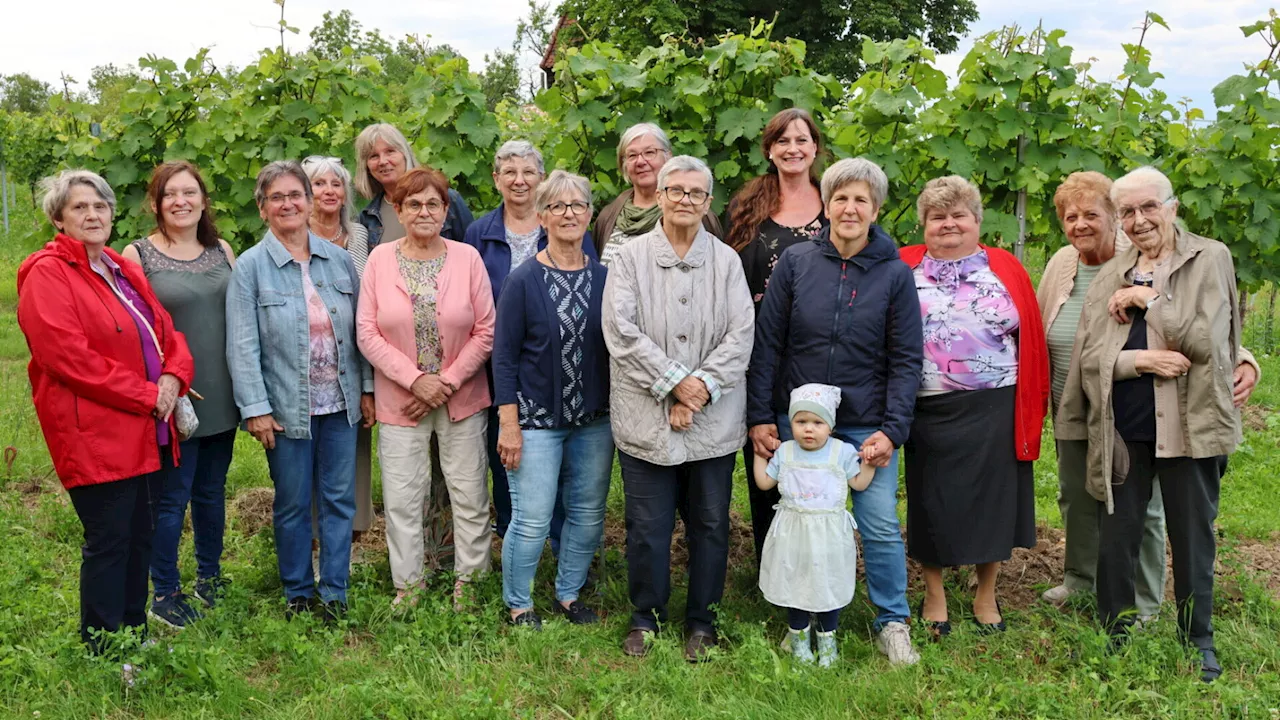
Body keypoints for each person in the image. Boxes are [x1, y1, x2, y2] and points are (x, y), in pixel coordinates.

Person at [1037, 172, 1263, 616]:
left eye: (1093, 215)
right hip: (1077, 399)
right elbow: (1049, 328)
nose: (1081, 225)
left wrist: (1244, 358)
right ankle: (1083, 584)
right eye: (1070, 217)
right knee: (1084, 501)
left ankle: (1146, 603)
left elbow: (1208, 327)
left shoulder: (1144, 261)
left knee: (1146, 513)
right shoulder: (1063, 265)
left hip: (1142, 407)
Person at [748, 157, 922, 666]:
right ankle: (800, 616)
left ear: (876, 209)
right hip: (799, 419)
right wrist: (761, 416)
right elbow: (768, 344)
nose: (849, 208)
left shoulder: (894, 275)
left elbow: (907, 359)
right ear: (825, 205)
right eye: (840, 198)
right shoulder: (798, 263)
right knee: (800, 518)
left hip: (864, 422)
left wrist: (892, 430)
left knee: (879, 522)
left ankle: (892, 621)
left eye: (861, 199)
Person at [17, 169, 194, 655]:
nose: (92, 215)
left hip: (146, 429)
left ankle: (134, 634)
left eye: (100, 206)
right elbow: (67, 357)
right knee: (110, 539)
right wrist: (146, 394)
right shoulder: (47, 272)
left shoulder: (118, 266)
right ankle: (102, 647)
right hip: (95, 432)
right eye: (79, 207)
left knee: (142, 535)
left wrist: (175, 374)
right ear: (58, 218)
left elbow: (166, 329)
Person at [602, 156, 754, 662]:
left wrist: (701, 387)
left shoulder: (727, 261)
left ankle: (703, 621)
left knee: (711, 522)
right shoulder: (629, 258)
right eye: (676, 190)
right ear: (660, 196)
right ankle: (646, 616)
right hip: (645, 414)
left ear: (708, 203)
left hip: (714, 418)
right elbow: (621, 332)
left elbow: (740, 334)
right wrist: (673, 384)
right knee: (648, 524)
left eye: (695, 192)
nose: (685, 199)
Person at [899, 175, 1049, 637]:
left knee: (994, 502)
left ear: (976, 221)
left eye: (958, 215)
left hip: (996, 404)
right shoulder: (902, 266)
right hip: (928, 405)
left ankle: (987, 593)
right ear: (924, 224)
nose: (948, 224)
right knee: (931, 501)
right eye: (937, 216)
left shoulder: (1006, 267)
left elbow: (1032, 337)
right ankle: (934, 593)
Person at [226, 160, 374, 621]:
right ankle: (297, 591)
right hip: (287, 409)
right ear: (263, 208)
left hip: (341, 403)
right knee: (292, 502)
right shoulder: (251, 267)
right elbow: (242, 342)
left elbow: (359, 330)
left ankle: (334, 591)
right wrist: (255, 407)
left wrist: (367, 389)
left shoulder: (337, 259)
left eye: (296, 195)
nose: (288, 203)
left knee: (338, 499)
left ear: (310, 203)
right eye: (277, 197)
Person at [356, 166, 495, 608]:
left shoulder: (467, 258)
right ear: (397, 209)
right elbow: (367, 332)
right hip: (403, 401)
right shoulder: (379, 260)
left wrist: (447, 381)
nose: (423, 211)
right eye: (412, 204)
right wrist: (416, 380)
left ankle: (470, 583)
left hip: (463, 399)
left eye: (433, 203)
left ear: (446, 209)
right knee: (403, 498)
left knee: (469, 494)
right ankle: (409, 585)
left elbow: (486, 330)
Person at [119, 162, 238, 628]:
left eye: (190, 193)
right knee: (172, 498)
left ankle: (210, 579)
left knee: (212, 493)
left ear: (204, 200)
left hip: (223, 393)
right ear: (156, 203)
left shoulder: (222, 250)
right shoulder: (137, 255)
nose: (181, 201)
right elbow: (130, 329)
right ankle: (164, 592)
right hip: (174, 397)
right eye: (171, 194)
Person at [494, 170, 612, 629]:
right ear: (542, 216)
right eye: (558, 206)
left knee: (586, 514)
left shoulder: (605, 279)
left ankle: (568, 594)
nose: (569, 214)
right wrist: (509, 425)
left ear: (588, 215)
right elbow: (503, 359)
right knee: (532, 517)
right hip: (536, 421)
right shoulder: (524, 280)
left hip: (594, 420)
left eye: (578, 205)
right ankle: (519, 603)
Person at [464, 140, 599, 541]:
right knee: (505, 456)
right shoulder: (478, 233)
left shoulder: (565, 224)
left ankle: (558, 543)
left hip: (557, 369)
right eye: (510, 172)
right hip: (497, 364)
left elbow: (587, 285)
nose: (519, 180)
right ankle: (513, 537)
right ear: (496, 180)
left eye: (528, 172)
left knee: (558, 465)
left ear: (541, 179)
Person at [727, 108, 830, 563]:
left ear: (815, 148)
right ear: (769, 149)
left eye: (802, 140)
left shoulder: (835, 203)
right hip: (759, 351)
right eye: (783, 140)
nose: (793, 148)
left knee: (816, 457)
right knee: (766, 450)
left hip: (819, 352)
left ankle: (816, 562)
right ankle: (772, 566)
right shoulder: (748, 204)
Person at [754, 383, 875, 668]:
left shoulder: (840, 452)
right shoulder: (786, 452)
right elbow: (764, 483)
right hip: (793, 536)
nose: (809, 429)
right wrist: (761, 455)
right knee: (795, 585)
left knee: (827, 585)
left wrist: (868, 462)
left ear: (830, 426)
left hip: (829, 537)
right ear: (791, 423)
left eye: (817, 422)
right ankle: (799, 643)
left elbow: (858, 482)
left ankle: (827, 642)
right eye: (801, 422)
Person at [303, 155, 375, 541]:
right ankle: (313, 532)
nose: (329, 191)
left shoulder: (358, 235)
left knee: (352, 446)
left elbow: (364, 290)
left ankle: (351, 530)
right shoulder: (295, 235)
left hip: (352, 350)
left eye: (336, 184)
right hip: (308, 354)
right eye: (319, 184)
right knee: (306, 451)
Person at [593, 123, 722, 265]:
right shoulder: (609, 216)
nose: (640, 161)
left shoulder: (693, 212)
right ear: (624, 164)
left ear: (668, 157)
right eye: (632, 155)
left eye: (649, 152)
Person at [354, 122, 473, 250]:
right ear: (366, 166)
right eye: (374, 156)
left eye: (390, 151)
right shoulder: (367, 218)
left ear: (405, 154)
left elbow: (471, 254)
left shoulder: (446, 199)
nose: (383, 161)